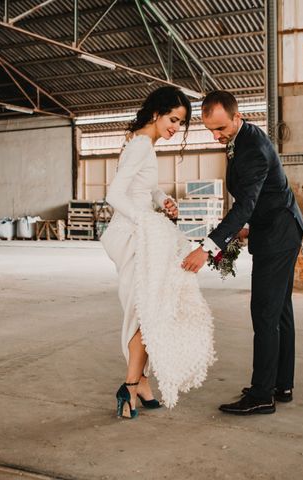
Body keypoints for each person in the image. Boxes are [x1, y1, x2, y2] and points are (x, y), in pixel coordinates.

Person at [182, 90, 303, 415]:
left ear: (237, 117)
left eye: (221, 128)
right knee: (280, 312)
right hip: (278, 227)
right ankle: (281, 384)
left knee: (265, 313)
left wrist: (208, 247)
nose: (216, 136)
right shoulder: (242, 137)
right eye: (210, 129)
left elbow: (246, 204)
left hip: (278, 235)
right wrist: (247, 229)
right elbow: (261, 197)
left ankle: (262, 395)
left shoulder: (251, 148)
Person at [101, 86, 216, 419]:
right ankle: (130, 385)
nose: (175, 128)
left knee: (154, 308)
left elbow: (145, 189)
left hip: (145, 233)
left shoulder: (144, 145)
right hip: (136, 238)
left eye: (180, 123)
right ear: (156, 113)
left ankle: (141, 383)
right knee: (147, 311)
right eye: (173, 119)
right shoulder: (139, 145)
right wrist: (145, 222)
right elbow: (114, 195)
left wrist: (161, 198)